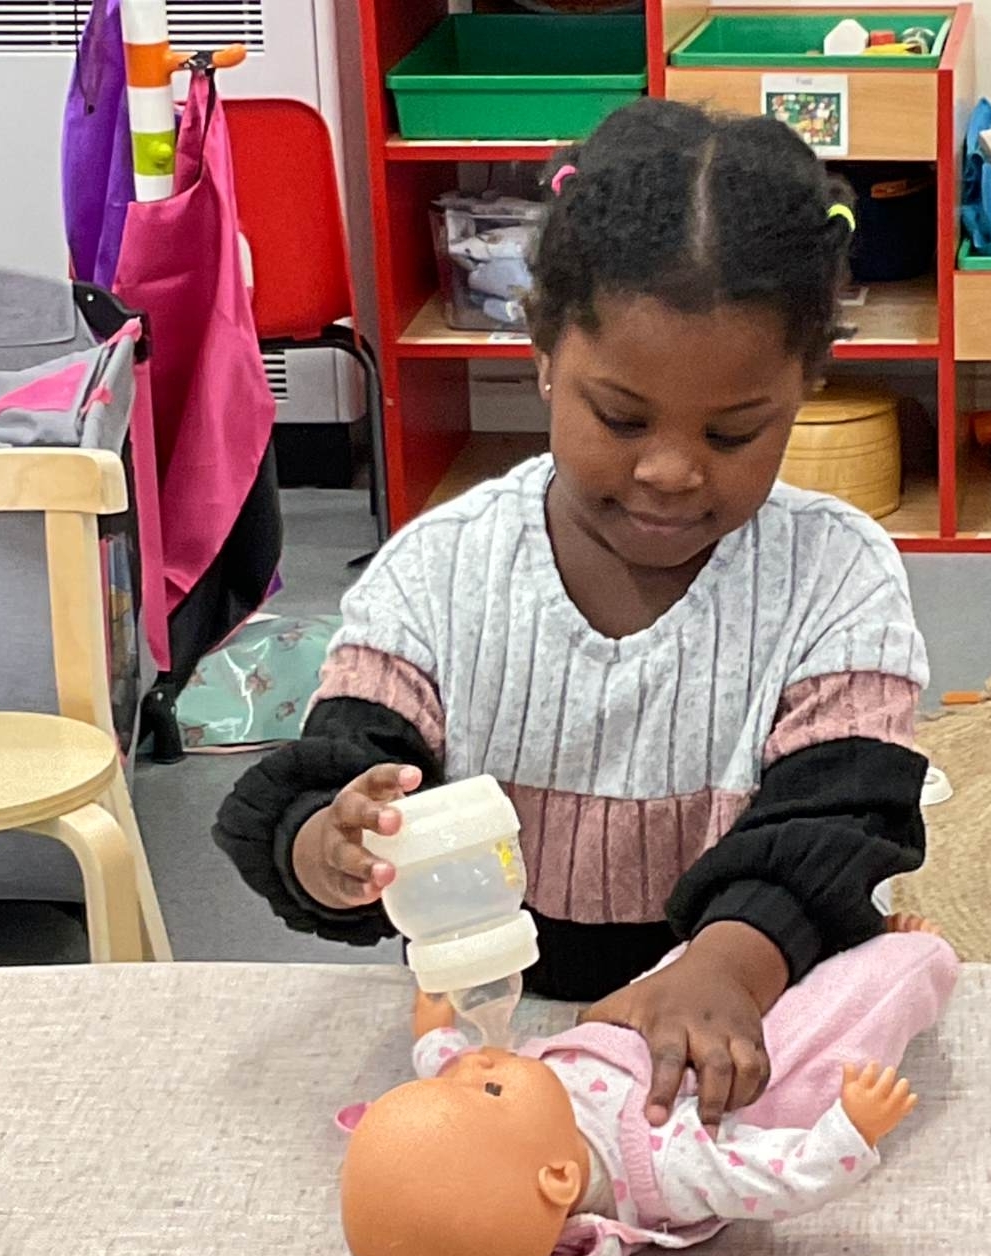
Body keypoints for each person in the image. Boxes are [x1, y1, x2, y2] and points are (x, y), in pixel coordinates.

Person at [214, 98, 930, 1134]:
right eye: (622, 418)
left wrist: (728, 965)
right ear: (545, 353)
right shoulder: (441, 572)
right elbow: (338, 774)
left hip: (746, 1016)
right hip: (493, 1037)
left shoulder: (835, 575)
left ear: (804, 386)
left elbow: (842, 818)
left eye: (734, 433)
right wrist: (328, 841)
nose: (671, 470)